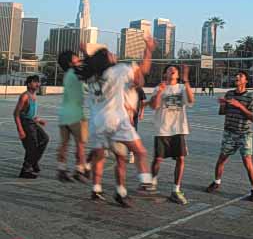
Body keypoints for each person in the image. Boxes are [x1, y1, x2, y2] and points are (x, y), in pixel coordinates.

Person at [82, 37, 156, 208]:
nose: (113, 54)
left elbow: (90, 64)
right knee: (139, 152)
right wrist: (149, 49)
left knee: (107, 156)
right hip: (116, 120)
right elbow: (143, 71)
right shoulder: (118, 71)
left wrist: (87, 54)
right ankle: (145, 181)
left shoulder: (91, 77)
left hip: (97, 124)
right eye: (109, 53)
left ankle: (102, 184)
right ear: (106, 60)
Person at [206, 71, 253, 202]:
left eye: (240, 76)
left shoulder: (250, 97)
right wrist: (223, 105)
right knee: (221, 160)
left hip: (244, 134)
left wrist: (239, 105)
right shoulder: (229, 94)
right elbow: (222, 112)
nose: (237, 77)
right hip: (229, 133)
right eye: (236, 76)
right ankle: (216, 182)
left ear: (246, 81)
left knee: (247, 162)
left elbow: (252, 117)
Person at [150, 64, 194, 205]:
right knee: (158, 159)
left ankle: (176, 190)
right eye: (169, 69)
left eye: (174, 69)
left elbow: (191, 101)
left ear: (178, 75)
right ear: (165, 74)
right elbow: (154, 106)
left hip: (178, 129)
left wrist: (186, 81)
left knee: (181, 158)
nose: (172, 70)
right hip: (163, 129)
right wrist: (159, 92)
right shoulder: (159, 88)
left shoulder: (182, 88)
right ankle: (152, 182)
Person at [57, 51, 90, 183]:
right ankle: (79, 170)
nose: (79, 59)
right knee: (80, 144)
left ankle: (61, 169)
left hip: (64, 114)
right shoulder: (76, 74)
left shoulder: (67, 75)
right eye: (76, 57)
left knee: (64, 144)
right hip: (76, 114)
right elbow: (88, 87)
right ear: (71, 62)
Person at [14, 75, 49, 179]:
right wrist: (20, 130)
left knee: (44, 139)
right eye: (35, 82)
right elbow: (16, 114)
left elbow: (29, 113)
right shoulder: (25, 96)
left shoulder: (34, 95)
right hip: (25, 123)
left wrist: (38, 120)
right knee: (32, 146)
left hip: (32, 122)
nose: (38, 84)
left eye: (38, 82)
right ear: (29, 84)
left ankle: (33, 162)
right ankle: (25, 170)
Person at [125, 83, 147, 164]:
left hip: (134, 116)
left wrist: (142, 113)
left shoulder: (139, 89)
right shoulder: (124, 88)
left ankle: (131, 153)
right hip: (123, 115)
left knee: (132, 134)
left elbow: (142, 102)